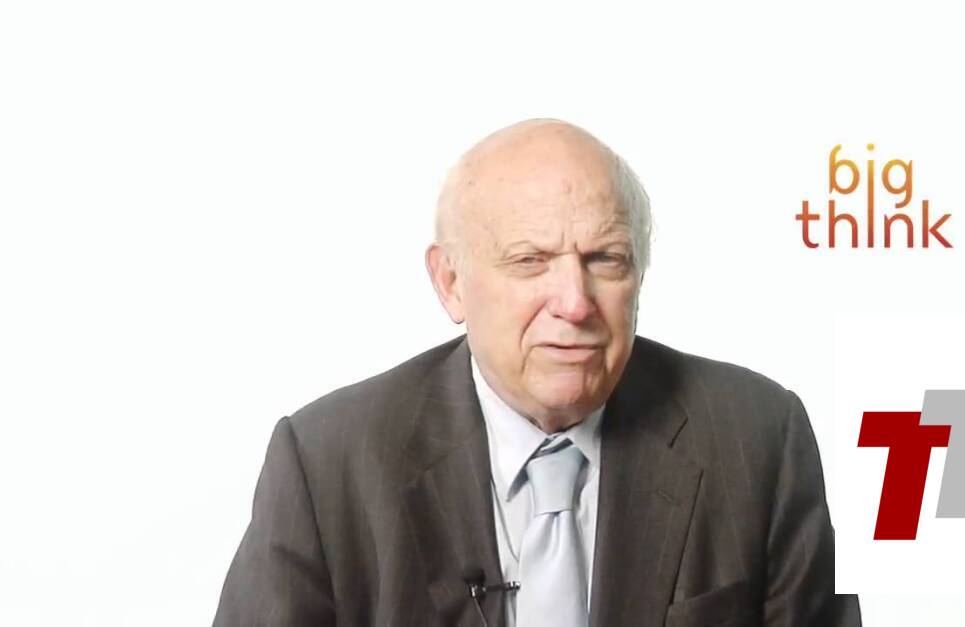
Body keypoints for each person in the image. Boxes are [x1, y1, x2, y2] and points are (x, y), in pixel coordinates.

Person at [213, 119, 862, 626]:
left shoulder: (758, 438)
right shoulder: (326, 462)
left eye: (605, 259)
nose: (574, 303)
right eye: (529, 260)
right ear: (450, 282)